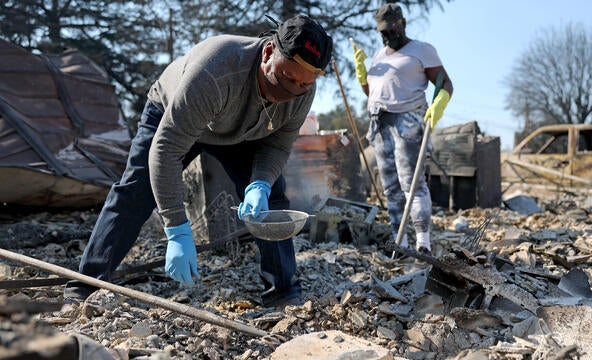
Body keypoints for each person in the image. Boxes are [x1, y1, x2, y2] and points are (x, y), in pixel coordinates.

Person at [64, 15, 333, 307]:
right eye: (286, 78)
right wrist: (177, 229)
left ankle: (284, 292)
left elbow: (278, 146)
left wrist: (260, 183)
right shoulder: (217, 69)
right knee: (135, 192)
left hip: (240, 131)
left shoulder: (302, 90)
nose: (290, 92)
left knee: (274, 201)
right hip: (176, 115)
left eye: (302, 85)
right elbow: (165, 150)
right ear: (268, 52)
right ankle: (86, 285)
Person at [352, 3, 453, 254]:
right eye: (382, 32)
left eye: (391, 28)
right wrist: (364, 76)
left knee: (412, 183)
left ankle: (423, 242)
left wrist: (439, 102)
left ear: (402, 23)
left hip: (408, 120)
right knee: (391, 187)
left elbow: (445, 82)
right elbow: (374, 91)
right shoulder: (378, 56)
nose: (387, 35)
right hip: (380, 122)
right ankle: (401, 242)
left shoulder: (421, 50)